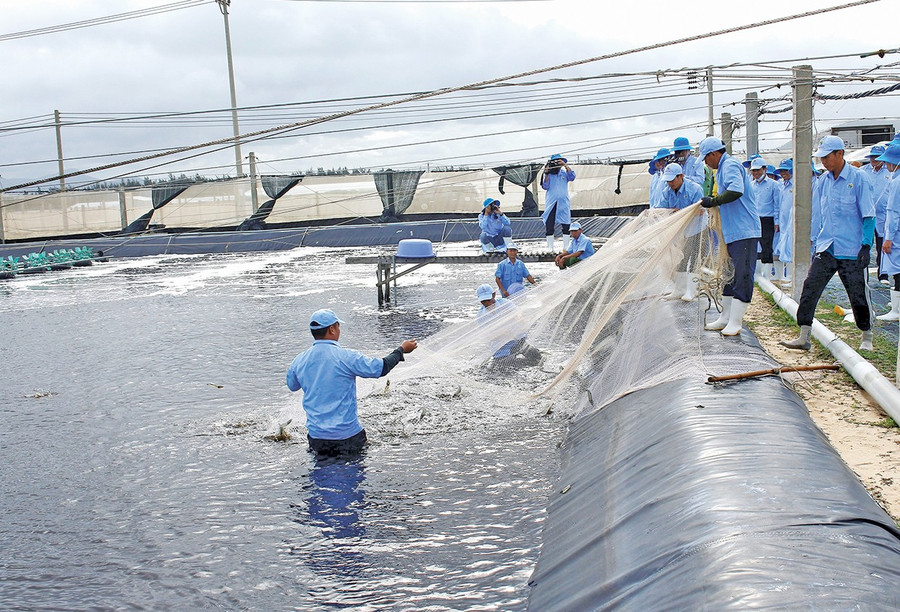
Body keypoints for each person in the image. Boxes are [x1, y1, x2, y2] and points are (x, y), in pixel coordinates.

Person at [780, 135, 876, 352]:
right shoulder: (823, 181)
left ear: (839, 154)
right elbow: (818, 214)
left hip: (851, 248)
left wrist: (866, 245)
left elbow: (869, 215)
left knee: (857, 293)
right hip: (827, 246)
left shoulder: (858, 179)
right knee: (810, 288)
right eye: (820, 157)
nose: (823, 161)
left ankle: (866, 335)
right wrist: (814, 241)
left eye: (826, 157)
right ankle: (804, 335)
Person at [286, 309, 418, 456]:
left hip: (317, 438)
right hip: (348, 437)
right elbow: (381, 368)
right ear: (332, 329)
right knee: (351, 477)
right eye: (338, 326)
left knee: (321, 476)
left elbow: (292, 386)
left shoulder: (299, 360)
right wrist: (401, 350)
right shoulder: (347, 357)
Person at [697, 136, 762, 336]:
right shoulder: (721, 169)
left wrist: (714, 200)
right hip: (732, 232)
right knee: (728, 275)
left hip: (745, 231)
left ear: (714, 154)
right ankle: (725, 317)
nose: (706, 163)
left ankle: (735, 321)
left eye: (706, 159)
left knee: (742, 275)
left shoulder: (730, 165)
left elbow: (736, 190)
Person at [659, 162, 706, 301]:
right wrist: (672, 212)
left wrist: (680, 212)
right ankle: (679, 289)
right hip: (681, 230)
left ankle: (692, 290)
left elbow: (700, 210)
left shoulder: (694, 189)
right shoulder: (666, 191)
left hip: (697, 227)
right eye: (668, 180)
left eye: (672, 180)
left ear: (681, 176)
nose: (670, 183)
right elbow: (662, 209)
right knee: (681, 258)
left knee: (695, 257)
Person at [476, 284, 542, 368]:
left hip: (518, 341)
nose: (486, 303)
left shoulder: (505, 303)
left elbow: (517, 313)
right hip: (501, 348)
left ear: (494, 295)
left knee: (538, 358)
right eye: (483, 301)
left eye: (488, 299)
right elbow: (487, 336)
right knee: (505, 369)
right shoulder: (481, 315)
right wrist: (501, 333)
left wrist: (519, 317)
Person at [874, 144, 900, 320]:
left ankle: (896, 311)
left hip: (896, 233)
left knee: (897, 270)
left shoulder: (897, 182)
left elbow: (893, 211)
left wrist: (888, 238)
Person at [865, 145, 892, 283]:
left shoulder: (890, 172)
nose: (874, 159)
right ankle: (863, 274)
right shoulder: (864, 171)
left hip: (884, 215)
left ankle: (883, 274)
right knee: (865, 244)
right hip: (867, 215)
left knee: (883, 244)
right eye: (872, 157)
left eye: (877, 157)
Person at [748, 157, 779, 279]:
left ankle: (766, 276)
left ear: (764, 169)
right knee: (755, 245)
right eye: (753, 171)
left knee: (767, 245)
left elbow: (777, 204)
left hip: (767, 218)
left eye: (758, 170)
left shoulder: (773, 185)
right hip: (755, 218)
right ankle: (757, 274)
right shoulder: (751, 185)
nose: (755, 173)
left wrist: (777, 221)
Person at [541, 154, 576, 252]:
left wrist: (565, 165)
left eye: (558, 162)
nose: (557, 164)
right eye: (555, 162)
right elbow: (545, 186)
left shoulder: (564, 173)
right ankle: (550, 247)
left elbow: (572, 177)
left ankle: (566, 247)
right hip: (552, 202)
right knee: (549, 224)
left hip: (563, 202)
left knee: (566, 224)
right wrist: (547, 173)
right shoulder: (548, 174)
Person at [773, 159, 794, 284]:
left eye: (785, 170)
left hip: (792, 221)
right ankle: (785, 276)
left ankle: (792, 276)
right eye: (781, 171)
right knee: (783, 247)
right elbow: (778, 205)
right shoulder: (782, 185)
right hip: (783, 221)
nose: (783, 173)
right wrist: (777, 221)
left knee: (791, 247)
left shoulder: (795, 184)